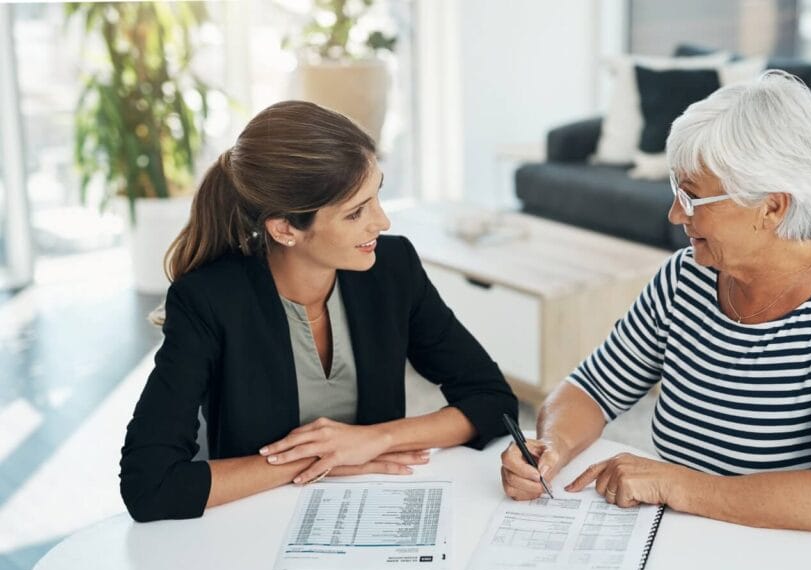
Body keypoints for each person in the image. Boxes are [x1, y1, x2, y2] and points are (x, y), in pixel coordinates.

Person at [500, 71, 811, 557]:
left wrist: (673, 484)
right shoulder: (685, 279)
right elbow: (590, 388)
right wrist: (552, 449)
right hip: (710, 550)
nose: (676, 213)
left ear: (771, 207)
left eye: (692, 196)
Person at [121, 100, 517, 522]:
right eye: (355, 212)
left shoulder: (392, 267)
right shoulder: (209, 300)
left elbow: (493, 400)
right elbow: (150, 486)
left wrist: (375, 439)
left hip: (372, 515)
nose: (381, 222)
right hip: (252, 527)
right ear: (285, 228)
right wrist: (320, 459)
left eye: (377, 195)